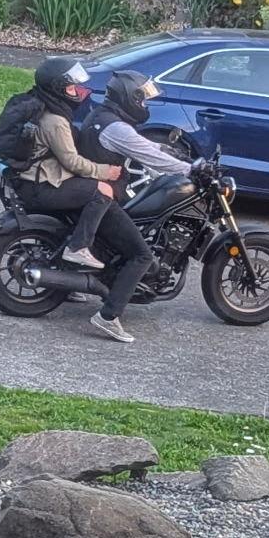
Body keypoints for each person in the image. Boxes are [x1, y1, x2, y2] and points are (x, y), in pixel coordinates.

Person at [72, 69, 193, 344]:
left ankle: (74, 283)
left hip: (91, 191)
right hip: (102, 196)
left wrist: (165, 150)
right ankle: (108, 316)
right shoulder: (116, 128)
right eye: (143, 98)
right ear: (129, 97)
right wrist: (190, 168)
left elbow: (140, 145)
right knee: (142, 254)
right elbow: (146, 153)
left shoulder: (103, 117)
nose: (145, 104)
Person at [0, 56, 122, 272]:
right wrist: (105, 171)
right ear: (57, 88)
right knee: (103, 191)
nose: (76, 91)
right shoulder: (55, 120)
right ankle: (78, 247)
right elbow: (72, 162)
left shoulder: (36, 104)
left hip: (22, 182)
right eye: (71, 87)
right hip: (39, 187)